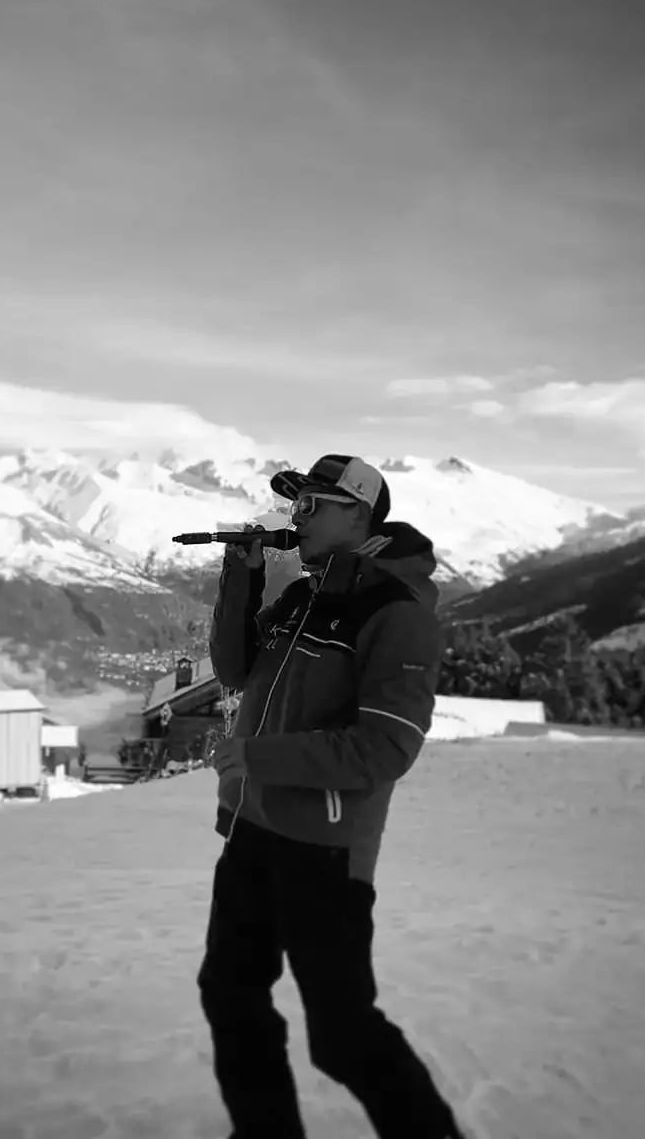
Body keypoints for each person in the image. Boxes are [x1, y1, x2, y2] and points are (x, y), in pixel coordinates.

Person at [202, 453, 467, 1139]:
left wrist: (258, 756)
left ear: (360, 513)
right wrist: (244, 570)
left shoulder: (397, 613)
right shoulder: (306, 594)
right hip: (253, 831)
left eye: (314, 503)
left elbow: (385, 749)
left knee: (344, 1037)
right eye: (296, 504)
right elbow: (234, 669)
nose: (299, 516)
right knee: (230, 993)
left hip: (324, 854)